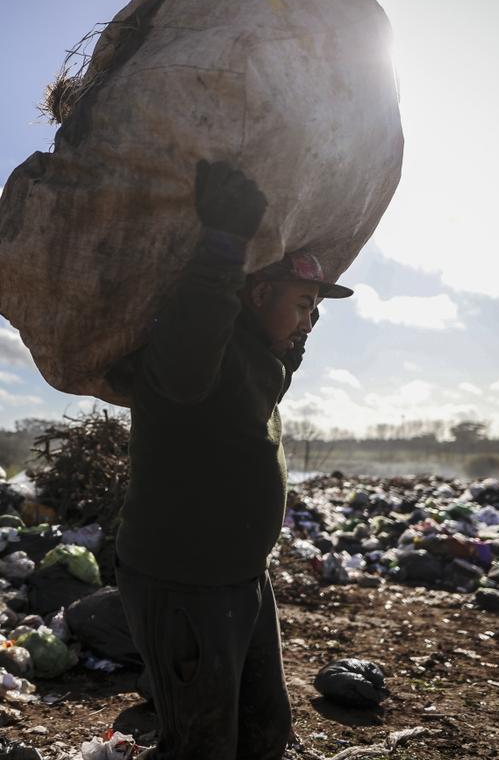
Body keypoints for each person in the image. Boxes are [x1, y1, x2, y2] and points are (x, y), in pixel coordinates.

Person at [107, 160, 353, 759]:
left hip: (242, 579)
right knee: (200, 744)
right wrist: (224, 241)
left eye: (316, 310)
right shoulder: (191, 360)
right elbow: (200, 325)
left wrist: (296, 332)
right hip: (183, 583)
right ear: (259, 292)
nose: (309, 319)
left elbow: (272, 377)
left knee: (265, 733)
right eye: (302, 303)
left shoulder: (255, 360)